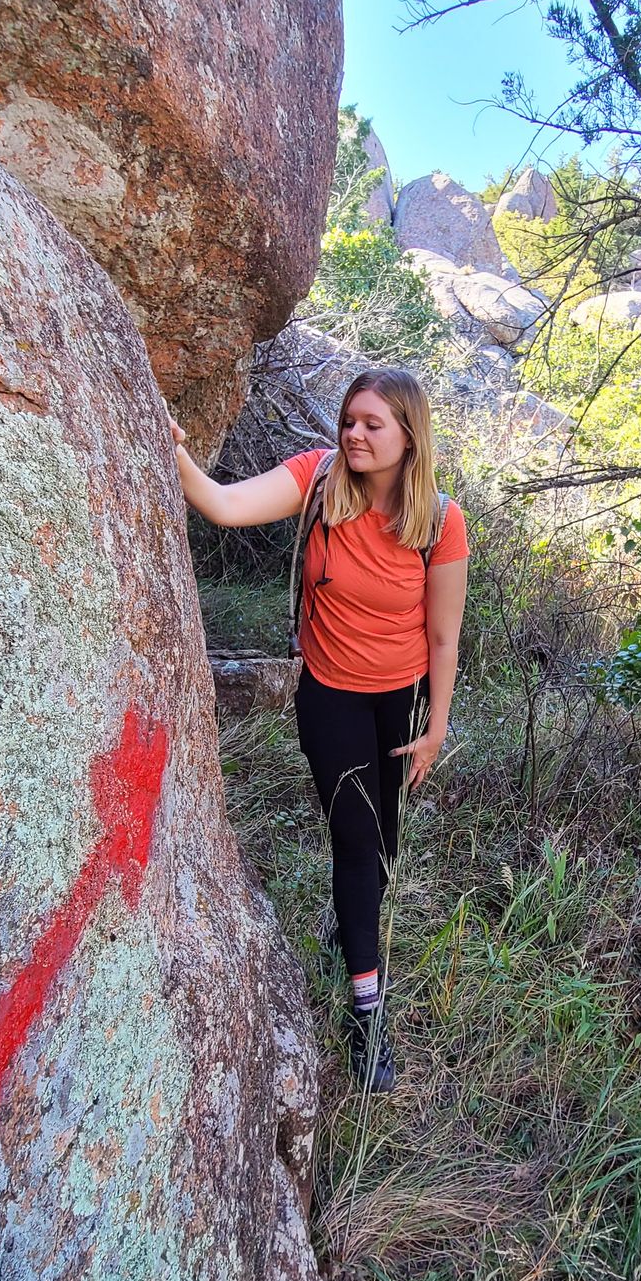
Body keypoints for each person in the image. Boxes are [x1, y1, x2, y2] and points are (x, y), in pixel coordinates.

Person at [169, 367, 469, 1093]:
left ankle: (349, 927)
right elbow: (221, 505)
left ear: (408, 436)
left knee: (384, 838)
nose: (355, 434)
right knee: (357, 844)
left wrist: (436, 732)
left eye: (374, 424)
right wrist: (172, 447)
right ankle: (368, 1013)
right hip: (330, 697)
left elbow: (443, 640)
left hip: (399, 702)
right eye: (349, 420)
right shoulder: (316, 480)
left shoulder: (438, 518)